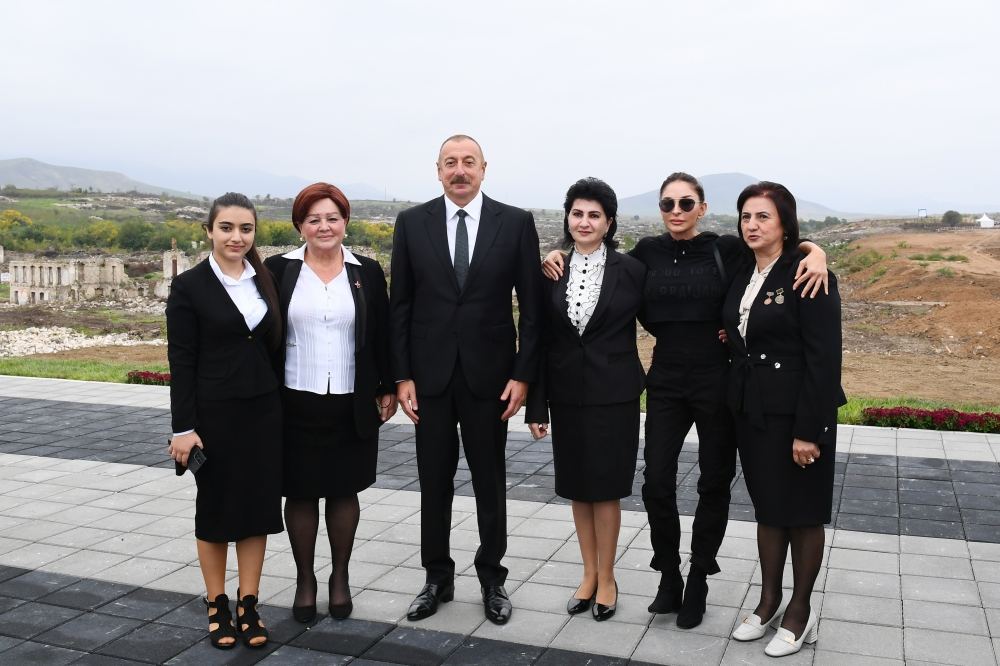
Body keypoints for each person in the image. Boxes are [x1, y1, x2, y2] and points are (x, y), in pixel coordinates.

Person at [542, 172, 828, 628]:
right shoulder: (646, 255)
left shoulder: (725, 248)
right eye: (667, 204)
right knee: (656, 479)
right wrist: (555, 252)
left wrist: (817, 252)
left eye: (685, 203)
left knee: (714, 482)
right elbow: (597, 262)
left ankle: (698, 579)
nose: (676, 212)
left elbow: (778, 247)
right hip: (666, 379)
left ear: (701, 207)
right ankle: (669, 575)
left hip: (718, 379)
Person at [389, 134, 543, 625]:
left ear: (484, 169)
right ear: (437, 170)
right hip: (429, 379)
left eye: (468, 162)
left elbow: (533, 309)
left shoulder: (515, 223)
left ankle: (492, 579)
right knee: (434, 482)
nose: (460, 171)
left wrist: (522, 376)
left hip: (490, 379)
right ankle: (437, 577)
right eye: (450, 163)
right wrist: (402, 376)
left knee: (489, 481)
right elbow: (402, 306)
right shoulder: (412, 223)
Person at [264, 182, 396, 623]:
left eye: (332, 218)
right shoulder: (276, 270)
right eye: (313, 219)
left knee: (344, 491)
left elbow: (383, 334)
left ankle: (340, 577)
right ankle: (305, 580)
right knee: (300, 494)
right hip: (293, 400)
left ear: (345, 222)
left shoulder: (368, 272)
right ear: (300, 225)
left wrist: (388, 385)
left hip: (350, 400)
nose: (324, 226)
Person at [723, 182, 844, 657]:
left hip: (796, 414)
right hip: (752, 412)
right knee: (770, 511)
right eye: (746, 216)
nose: (751, 225)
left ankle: (800, 609)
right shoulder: (742, 269)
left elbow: (823, 358)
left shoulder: (809, 274)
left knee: (802, 513)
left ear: (785, 224)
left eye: (763, 217)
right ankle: (769, 601)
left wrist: (807, 432)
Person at [166, 192, 283, 650]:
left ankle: (249, 603)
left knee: (256, 512)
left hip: (263, 414)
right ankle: (217, 604)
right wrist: (183, 427)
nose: (237, 237)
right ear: (209, 231)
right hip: (214, 417)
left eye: (246, 229)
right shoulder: (190, 286)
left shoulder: (265, 280)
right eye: (227, 228)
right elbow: (183, 359)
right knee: (215, 511)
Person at [526, 178, 646, 621]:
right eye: (577, 213)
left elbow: (665, 316)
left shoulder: (631, 269)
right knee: (578, 488)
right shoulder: (550, 270)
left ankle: (609, 578)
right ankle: (588, 574)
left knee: (607, 489)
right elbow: (537, 339)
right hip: (567, 395)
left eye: (594, 214)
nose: (585, 221)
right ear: (567, 218)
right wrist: (536, 407)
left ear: (609, 222)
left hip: (614, 395)